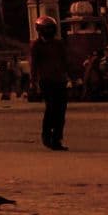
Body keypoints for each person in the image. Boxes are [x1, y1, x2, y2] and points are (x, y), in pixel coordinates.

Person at [31, 19, 71, 150]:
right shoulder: (37, 46)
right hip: (46, 81)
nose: (49, 31)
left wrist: (70, 76)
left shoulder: (59, 44)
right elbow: (34, 65)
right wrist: (33, 82)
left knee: (61, 110)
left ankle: (57, 138)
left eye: (50, 28)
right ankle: (47, 135)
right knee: (51, 108)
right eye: (46, 28)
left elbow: (65, 61)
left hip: (60, 80)